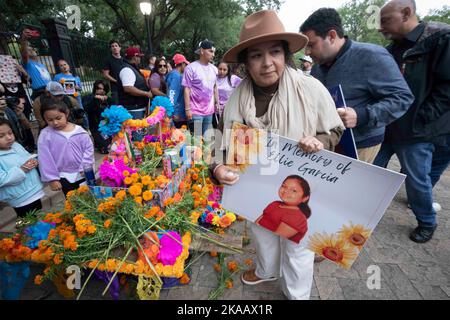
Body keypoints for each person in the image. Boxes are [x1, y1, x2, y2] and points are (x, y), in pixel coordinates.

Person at [212, 10, 345, 300]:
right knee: (262, 229)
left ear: (286, 55)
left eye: (275, 52)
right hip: (256, 185)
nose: (267, 63)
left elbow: (334, 129)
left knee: (297, 243)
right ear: (246, 62)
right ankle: (266, 270)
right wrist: (218, 167)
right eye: (257, 55)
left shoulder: (309, 88)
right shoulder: (238, 97)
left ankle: (297, 294)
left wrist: (319, 140)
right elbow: (220, 141)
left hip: (299, 184)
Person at [373, 0, 450, 243]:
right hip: (386, 127)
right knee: (369, 170)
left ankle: (427, 221)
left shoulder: (440, 39)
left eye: (385, 20)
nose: (380, 27)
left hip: (417, 131)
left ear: (406, 13)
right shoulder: (390, 50)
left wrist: (422, 118)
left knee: (417, 181)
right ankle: (361, 209)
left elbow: (447, 87)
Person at [300, 8, 414, 164]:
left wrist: (362, 115)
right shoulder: (318, 67)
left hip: (360, 144)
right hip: (327, 141)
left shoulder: (371, 56)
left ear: (332, 36)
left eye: (312, 45)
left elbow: (403, 98)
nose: (307, 52)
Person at [37, 99, 94, 196]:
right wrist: (52, 179)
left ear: (66, 114)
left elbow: (88, 150)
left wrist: (85, 167)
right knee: (73, 202)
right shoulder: (45, 135)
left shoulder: (79, 131)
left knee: (90, 198)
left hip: (83, 174)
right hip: (63, 176)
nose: (55, 123)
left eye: (58, 118)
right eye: (50, 120)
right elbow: (44, 158)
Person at [0, 118, 45, 218]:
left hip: (34, 189)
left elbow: (26, 157)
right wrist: (22, 170)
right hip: (20, 197)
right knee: (29, 220)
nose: (8, 137)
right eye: (1, 136)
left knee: (38, 215)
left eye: (10, 133)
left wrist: (33, 160)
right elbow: (2, 179)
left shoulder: (16, 145)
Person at [255, 175, 311, 244]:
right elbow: (257, 223)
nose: (286, 191)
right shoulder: (275, 203)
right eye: (284, 186)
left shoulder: (297, 217)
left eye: (294, 190)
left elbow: (273, 240)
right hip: (258, 240)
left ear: (305, 198)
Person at [182, 39, 220, 138]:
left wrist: (217, 103)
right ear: (202, 51)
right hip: (195, 112)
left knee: (207, 140)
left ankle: (206, 154)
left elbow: (215, 87)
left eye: (214, 52)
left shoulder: (214, 69)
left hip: (209, 111)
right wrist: (187, 109)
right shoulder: (191, 68)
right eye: (211, 51)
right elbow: (186, 89)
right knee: (197, 140)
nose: (213, 55)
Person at [117, 47, 152, 120]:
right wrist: (146, 93)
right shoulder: (127, 69)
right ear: (134, 57)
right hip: (133, 110)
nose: (140, 58)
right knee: (136, 131)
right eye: (139, 56)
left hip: (137, 108)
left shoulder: (131, 67)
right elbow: (128, 88)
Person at [54, 59, 89, 129]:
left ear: (68, 65)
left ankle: (86, 128)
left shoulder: (75, 76)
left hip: (76, 96)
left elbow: (80, 88)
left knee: (81, 112)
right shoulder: (57, 77)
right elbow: (55, 88)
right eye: (61, 65)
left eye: (65, 64)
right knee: (68, 113)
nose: (64, 67)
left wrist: (75, 86)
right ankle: (71, 128)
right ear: (59, 68)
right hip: (65, 97)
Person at [19, 29, 52, 101]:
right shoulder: (27, 63)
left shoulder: (41, 65)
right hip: (40, 93)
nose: (31, 50)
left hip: (50, 91)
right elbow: (24, 54)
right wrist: (24, 39)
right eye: (29, 50)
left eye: (32, 49)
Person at [83, 80, 112, 154]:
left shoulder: (107, 99)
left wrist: (107, 100)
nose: (101, 91)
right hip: (95, 126)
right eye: (99, 88)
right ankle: (100, 144)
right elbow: (86, 108)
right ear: (95, 88)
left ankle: (100, 144)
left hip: (106, 125)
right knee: (105, 148)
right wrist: (95, 98)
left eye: (103, 89)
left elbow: (114, 109)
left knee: (110, 146)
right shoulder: (89, 97)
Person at [166, 54, 189, 128]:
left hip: (178, 111)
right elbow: (172, 94)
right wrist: (173, 113)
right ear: (182, 64)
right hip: (178, 113)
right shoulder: (176, 76)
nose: (186, 67)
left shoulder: (173, 74)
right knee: (179, 136)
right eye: (185, 64)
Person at [216, 61, 242, 127]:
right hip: (216, 110)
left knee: (228, 130)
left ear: (228, 70)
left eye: (224, 70)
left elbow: (244, 86)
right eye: (220, 69)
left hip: (230, 109)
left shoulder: (233, 78)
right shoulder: (213, 78)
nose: (222, 71)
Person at [102, 40, 125, 104]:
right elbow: (105, 75)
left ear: (120, 48)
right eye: (112, 46)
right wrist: (116, 81)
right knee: (117, 108)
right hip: (115, 89)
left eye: (116, 46)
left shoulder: (124, 60)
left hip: (126, 87)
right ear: (110, 49)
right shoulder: (108, 60)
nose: (115, 48)